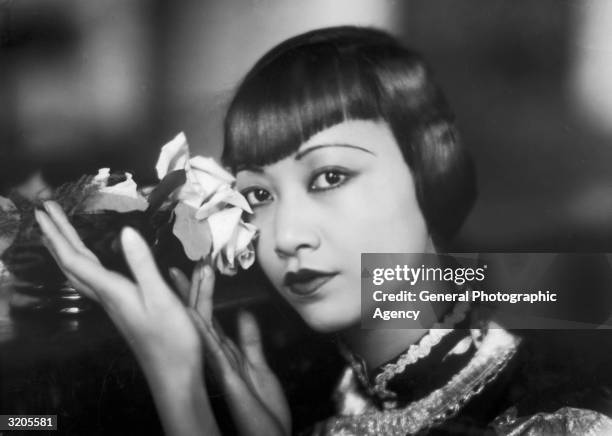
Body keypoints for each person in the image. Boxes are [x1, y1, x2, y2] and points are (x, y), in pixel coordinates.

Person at [35, 26, 612, 435]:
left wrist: (179, 384)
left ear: (430, 168)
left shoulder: (556, 394)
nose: (286, 236)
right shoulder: (322, 388)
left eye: (331, 175)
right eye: (257, 194)